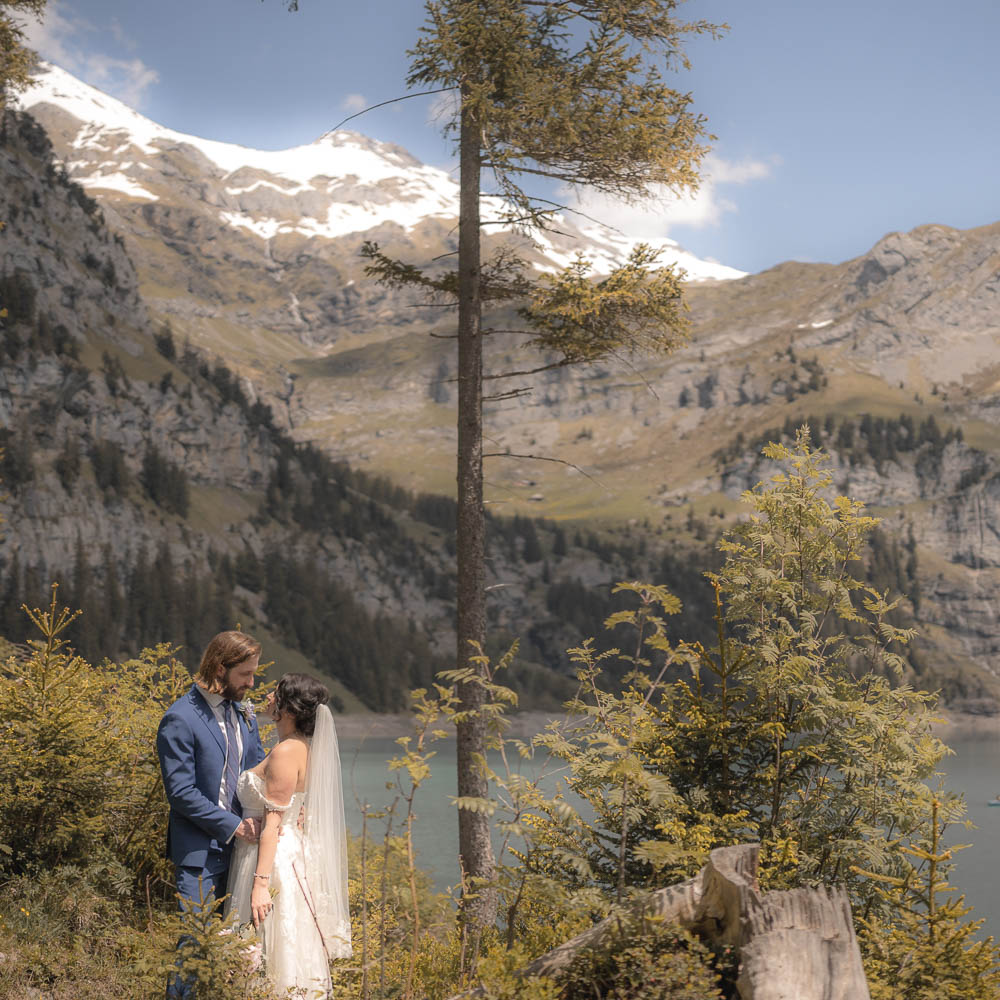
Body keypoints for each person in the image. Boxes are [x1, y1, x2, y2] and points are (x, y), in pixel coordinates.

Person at [226, 673, 352, 996]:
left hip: (272, 860)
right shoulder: (301, 748)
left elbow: (272, 825)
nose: (269, 695)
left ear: (290, 709)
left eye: (277, 692)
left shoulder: (286, 753)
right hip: (287, 855)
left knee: (270, 943)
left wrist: (260, 885)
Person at [156, 630, 267, 997]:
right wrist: (235, 826)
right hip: (200, 856)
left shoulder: (242, 712)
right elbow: (182, 794)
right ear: (221, 667)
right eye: (245, 675)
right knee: (194, 947)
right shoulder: (180, 718)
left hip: (243, 853)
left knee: (236, 948)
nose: (251, 683)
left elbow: (257, 771)